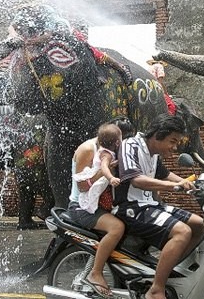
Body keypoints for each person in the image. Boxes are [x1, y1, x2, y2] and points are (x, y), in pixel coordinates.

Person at [113, 114, 204, 299]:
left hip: (150, 206)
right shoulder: (130, 145)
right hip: (130, 208)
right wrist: (174, 186)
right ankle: (156, 289)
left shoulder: (152, 153)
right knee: (182, 232)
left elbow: (165, 174)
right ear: (158, 134)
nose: (174, 147)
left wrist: (194, 184)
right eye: (172, 141)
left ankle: (166, 271)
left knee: (198, 224)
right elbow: (136, 180)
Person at [67, 118, 133, 298]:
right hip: (82, 207)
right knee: (116, 228)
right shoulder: (89, 150)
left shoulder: (113, 150)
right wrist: (106, 172)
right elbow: (82, 187)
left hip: (101, 203)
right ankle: (95, 273)